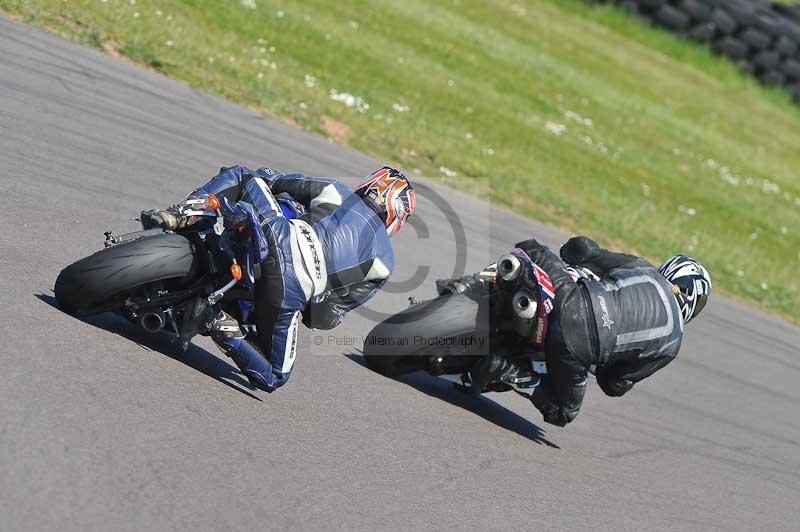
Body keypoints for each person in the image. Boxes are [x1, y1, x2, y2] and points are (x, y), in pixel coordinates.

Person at [141, 165, 415, 392]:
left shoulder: (335, 190)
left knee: (242, 175)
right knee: (274, 375)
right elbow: (323, 318)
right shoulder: (384, 264)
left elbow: (272, 180)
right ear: (398, 218)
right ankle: (217, 321)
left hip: (275, 233)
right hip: (290, 290)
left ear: (369, 184)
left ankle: (184, 213)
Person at [468, 236, 711, 426]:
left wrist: (569, 250)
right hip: (576, 345)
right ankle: (506, 369)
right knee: (564, 411)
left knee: (531, 250)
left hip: (568, 295)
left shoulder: (641, 268)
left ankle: (472, 283)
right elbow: (615, 385)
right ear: (693, 300)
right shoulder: (671, 344)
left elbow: (588, 252)